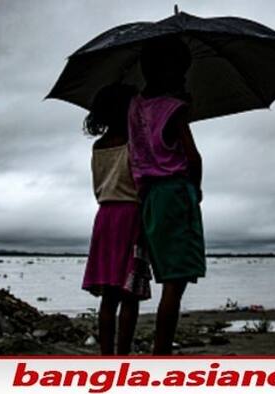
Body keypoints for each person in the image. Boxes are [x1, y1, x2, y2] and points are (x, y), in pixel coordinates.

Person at [127, 36, 206, 355]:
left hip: (149, 198)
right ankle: (161, 352)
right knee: (176, 282)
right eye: (182, 69)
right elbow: (193, 157)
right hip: (175, 193)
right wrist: (196, 189)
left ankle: (161, 350)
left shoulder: (134, 106)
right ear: (170, 70)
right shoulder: (174, 108)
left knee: (168, 277)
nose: (185, 75)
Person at [81, 83, 151, 355]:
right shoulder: (133, 143)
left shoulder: (98, 146)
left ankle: (107, 357)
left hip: (104, 218)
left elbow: (97, 185)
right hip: (131, 216)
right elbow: (141, 183)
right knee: (130, 294)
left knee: (109, 295)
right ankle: (122, 357)